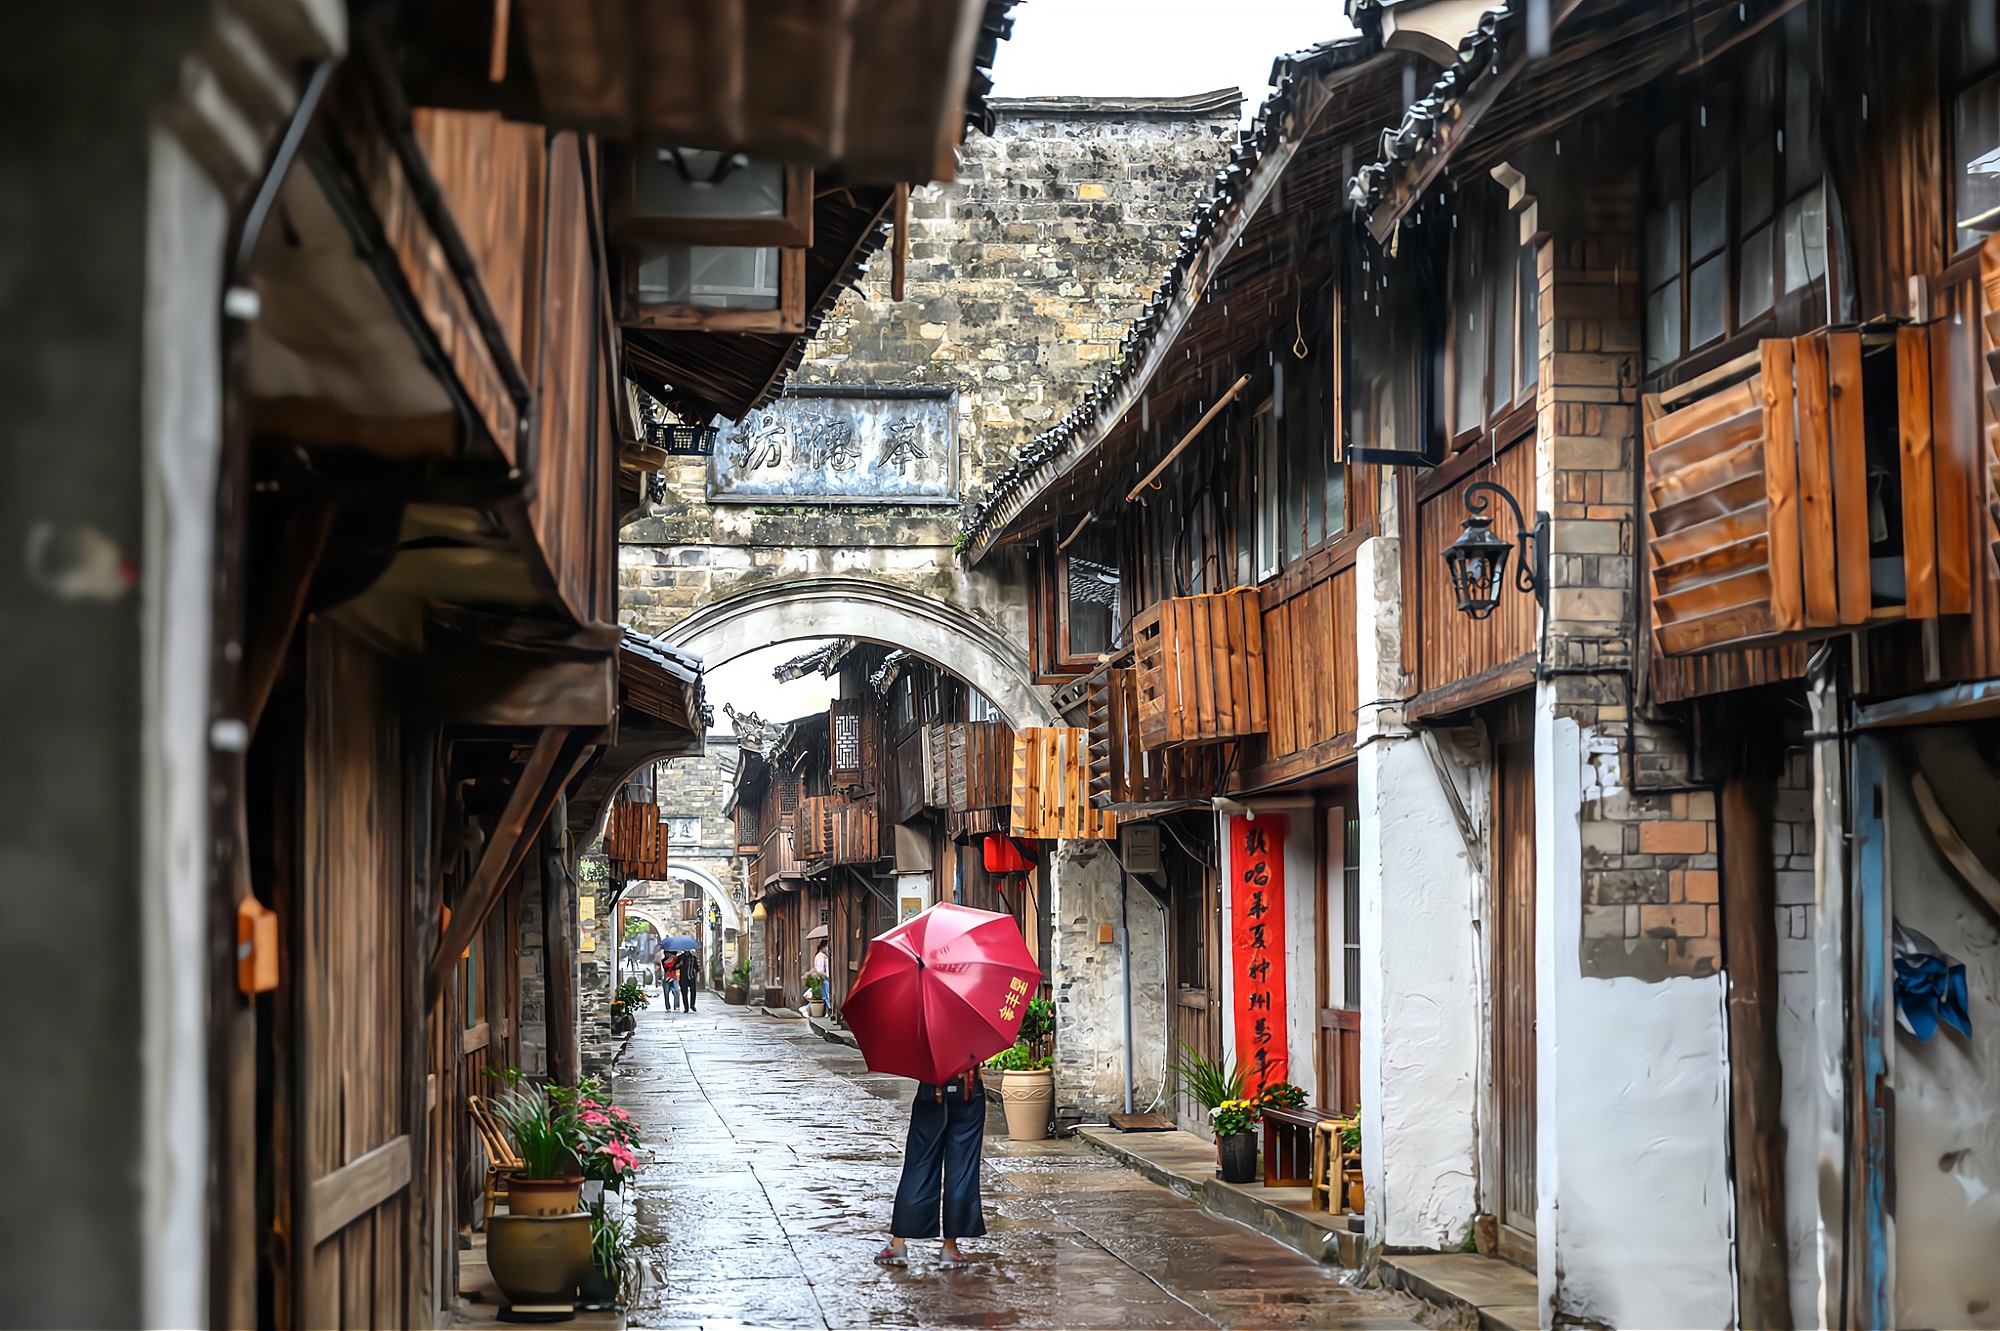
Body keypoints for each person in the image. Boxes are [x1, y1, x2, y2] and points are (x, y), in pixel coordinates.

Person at [876, 1064, 986, 1267]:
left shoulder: (924, 1031)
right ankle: (950, 1249)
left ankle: (898, 1244)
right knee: (962, 1169)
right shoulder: (976, 1033)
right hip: (968, 1092)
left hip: (931, 1092)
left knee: (919, 1165)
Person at [677, 948, 698, 1013]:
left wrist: (698, 976)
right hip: (683, 977)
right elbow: (675, 967)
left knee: (693, 991)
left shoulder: (693, 958)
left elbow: (696, 967)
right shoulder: (680, 957)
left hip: (691, 977)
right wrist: (679, 964)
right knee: (684, 993)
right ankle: (686, 1007)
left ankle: (692, 1005)